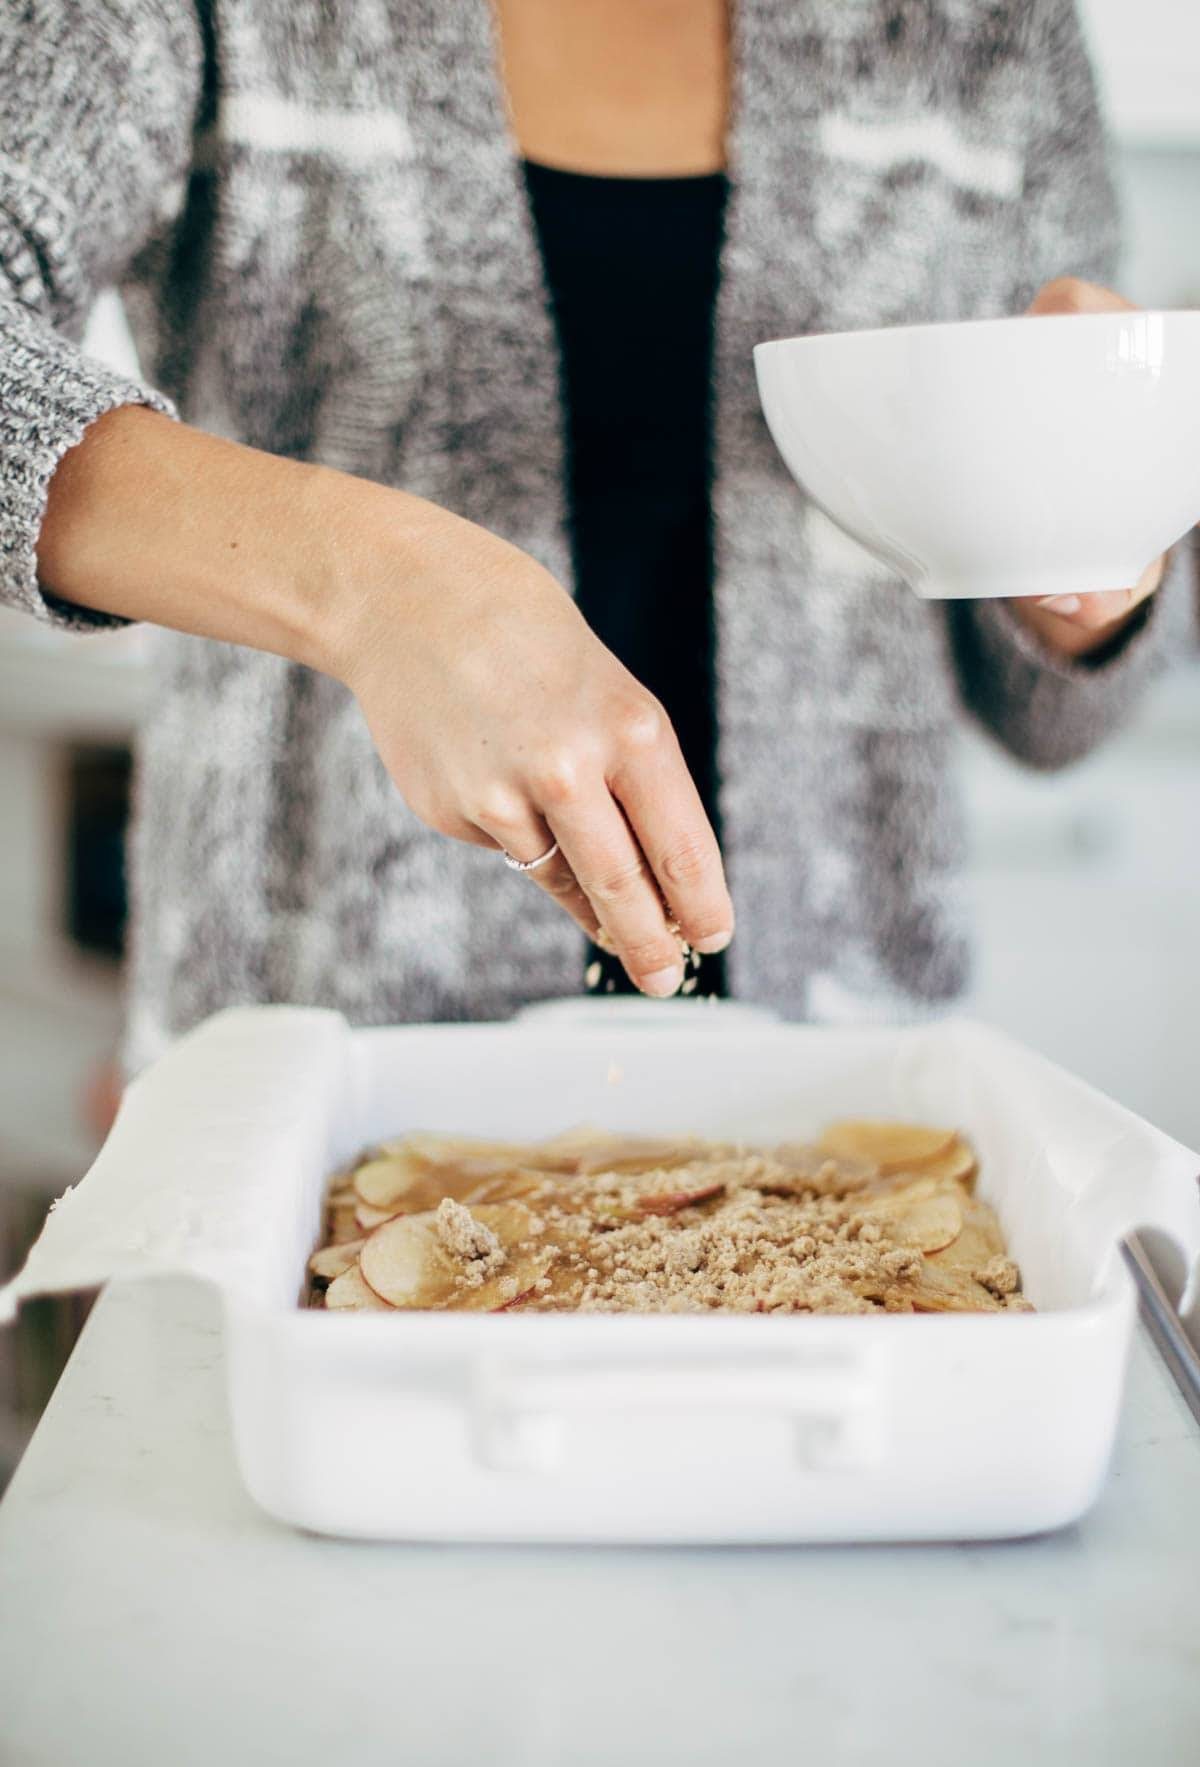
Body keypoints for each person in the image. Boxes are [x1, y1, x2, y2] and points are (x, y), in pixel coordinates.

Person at [0, 0, 1191, 1072]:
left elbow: (1058, 716)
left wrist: (1084, 545)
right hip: (323, 1069)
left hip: (855, 1093)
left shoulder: (989, 30)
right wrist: (372, 584)